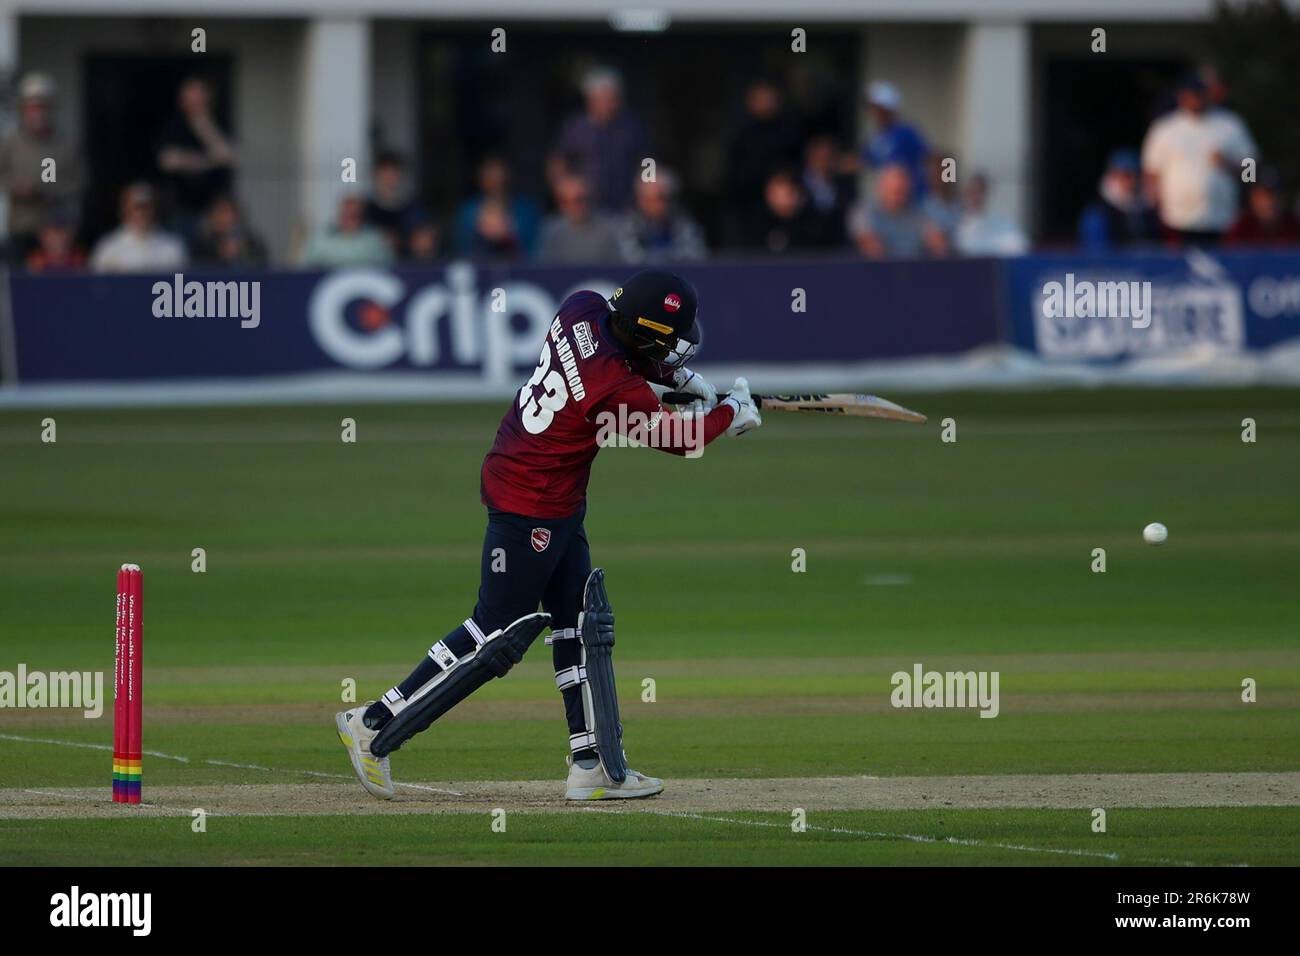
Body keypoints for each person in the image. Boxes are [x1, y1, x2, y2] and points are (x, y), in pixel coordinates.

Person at [335, 269, 762, 801]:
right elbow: (681, 439)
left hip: (549, 494)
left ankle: (592, 765)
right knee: (495, 635)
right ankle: (375, 724)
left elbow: (618, 369)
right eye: (670, 341)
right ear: (646, 331)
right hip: (528, 502)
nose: (679, 350)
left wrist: (676, 381)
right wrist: (730, 412)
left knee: (579, 624)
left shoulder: (580, 306)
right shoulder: (614, 390)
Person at [1141, 72, 1256, 246]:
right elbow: (1151, 172)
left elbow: (1252, 170)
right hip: (1176, 219)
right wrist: (1154, 210)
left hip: (1221, 218)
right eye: (1190, 94)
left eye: (1199, 93)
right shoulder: (1165, 128)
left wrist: (1229, 164)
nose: (1195, 99)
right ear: (1181, 97)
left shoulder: (1230, 124)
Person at [0, 73, 85, 260]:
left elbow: (77, 180)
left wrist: (49, 190)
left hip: (57, 234)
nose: (38, 113)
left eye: (43, 107)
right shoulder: (10, 143)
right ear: (24, 110)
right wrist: (17, 187)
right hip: (22, 228)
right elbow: (3, 176)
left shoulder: (63, 144)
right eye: (32, 107)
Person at [551, 67, 647, 213]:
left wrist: (649, 186)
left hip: (626, 207)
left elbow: (648, 160)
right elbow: (558, 162)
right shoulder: (575, 128)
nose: (611, 103)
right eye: (605, 98)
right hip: (586, 208)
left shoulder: (632, 127)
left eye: (614, 98)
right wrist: (564, 188)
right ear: (591, 99)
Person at [156, 77, 237, 240]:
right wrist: (208, 160)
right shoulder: (174, 126)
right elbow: (168, 161)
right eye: (191, 99)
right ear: (182, 102)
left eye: (200, 99)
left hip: (214, 209)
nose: (196, 104)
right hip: (181, 207)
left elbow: (227, 156)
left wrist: (203, 125)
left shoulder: (219, 124)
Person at [724, 78, 803, 244]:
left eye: (769, 99)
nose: (765, 104)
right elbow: (734, 173)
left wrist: (782, 188)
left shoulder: (788, 131)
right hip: (749, 204)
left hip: (784, 209)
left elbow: (795, 164)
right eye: (760, 99)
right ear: (750, 102)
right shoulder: (742, 134)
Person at [847, 163, 948, 259]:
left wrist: (936, 242)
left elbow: (939, 248)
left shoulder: (921, 214)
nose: (899, 194)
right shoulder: (864, 213)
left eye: (902, 190)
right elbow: (871, 248)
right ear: (881, 187)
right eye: (895, 191)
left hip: (916, 270)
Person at [89, 182, 187, 273]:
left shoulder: (172, 247)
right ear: (126, 209)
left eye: (146, 207)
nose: (141, 213)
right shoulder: (108, 248)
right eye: (137, 207)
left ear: (155, 209)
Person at [455, 155, 540, 257]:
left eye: (500, 176)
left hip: (517, 267)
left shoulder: (526, 209)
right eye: (490, 176)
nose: (496, 182)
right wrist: (479, 231)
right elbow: (461, 249)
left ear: (508, 177)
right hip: (480, 266)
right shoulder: (469, 211)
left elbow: (535, 250)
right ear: (481, 178)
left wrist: (509, 234)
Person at [614, 170, 707, 263]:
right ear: (639, 200)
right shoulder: (627, 226)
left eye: (661, 198)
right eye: (647, 199)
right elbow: (631, 259)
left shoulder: (685, 225)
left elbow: (695, 257)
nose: (654, 205)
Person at [1078, 149, 1161, 251]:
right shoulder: (1098, 214)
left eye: (1137, 175)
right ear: (1112, 176)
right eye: (1126, 175)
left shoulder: (1147, 211)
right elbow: (1098, 257)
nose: (1132, 181)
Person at [859, 81, 930, 198]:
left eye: (878, 108)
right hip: (889, 199)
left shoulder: (906, 132)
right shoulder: (875, 137)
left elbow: (930, 158)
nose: (874, 113)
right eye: (872, 108)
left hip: (912, 199)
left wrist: (948, 179)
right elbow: (865, 160)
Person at [536, 173, 619, 263]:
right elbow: (541, 267)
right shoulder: (550, 230)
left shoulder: (609, 229)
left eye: (579, 199)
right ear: (559, 203)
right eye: (566, 201)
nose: (574, 206)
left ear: (589, 198)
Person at [364, 151, 429, 257]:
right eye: (384, 174)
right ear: (375, 176)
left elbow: (424, 241)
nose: (389, 179)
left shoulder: (413, 208)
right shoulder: (365, 210)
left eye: (393, 174)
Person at [300, 194, 393, 268]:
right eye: (346, 215)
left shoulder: (374, 241)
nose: (350, 220)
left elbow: (388, 267)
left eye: (354, 215)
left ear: (362, 216)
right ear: (339, 215)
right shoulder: (321, 241)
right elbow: (307, 269)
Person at [955, 173, 1027, 256]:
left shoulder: (1003, 223)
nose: (976, 197)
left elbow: (1019, 245)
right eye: (972, 192)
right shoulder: (957, 224)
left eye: (980, 191)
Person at [1227, 171, 1300, 247]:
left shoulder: (1294, 226)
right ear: (1253, 198)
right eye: (1265, 195)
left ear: (1284, 198)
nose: (1271, 201)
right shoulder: (1241, 228)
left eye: (1277, 195)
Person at [192, 195, 268, 267]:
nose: (221, 218)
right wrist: (219, 253)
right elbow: (197, 268)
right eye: (217, 212)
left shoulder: (250, 240)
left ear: (236, 215)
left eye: (226, 212)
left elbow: (262, 263)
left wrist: (242, 251)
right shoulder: (203, 243)